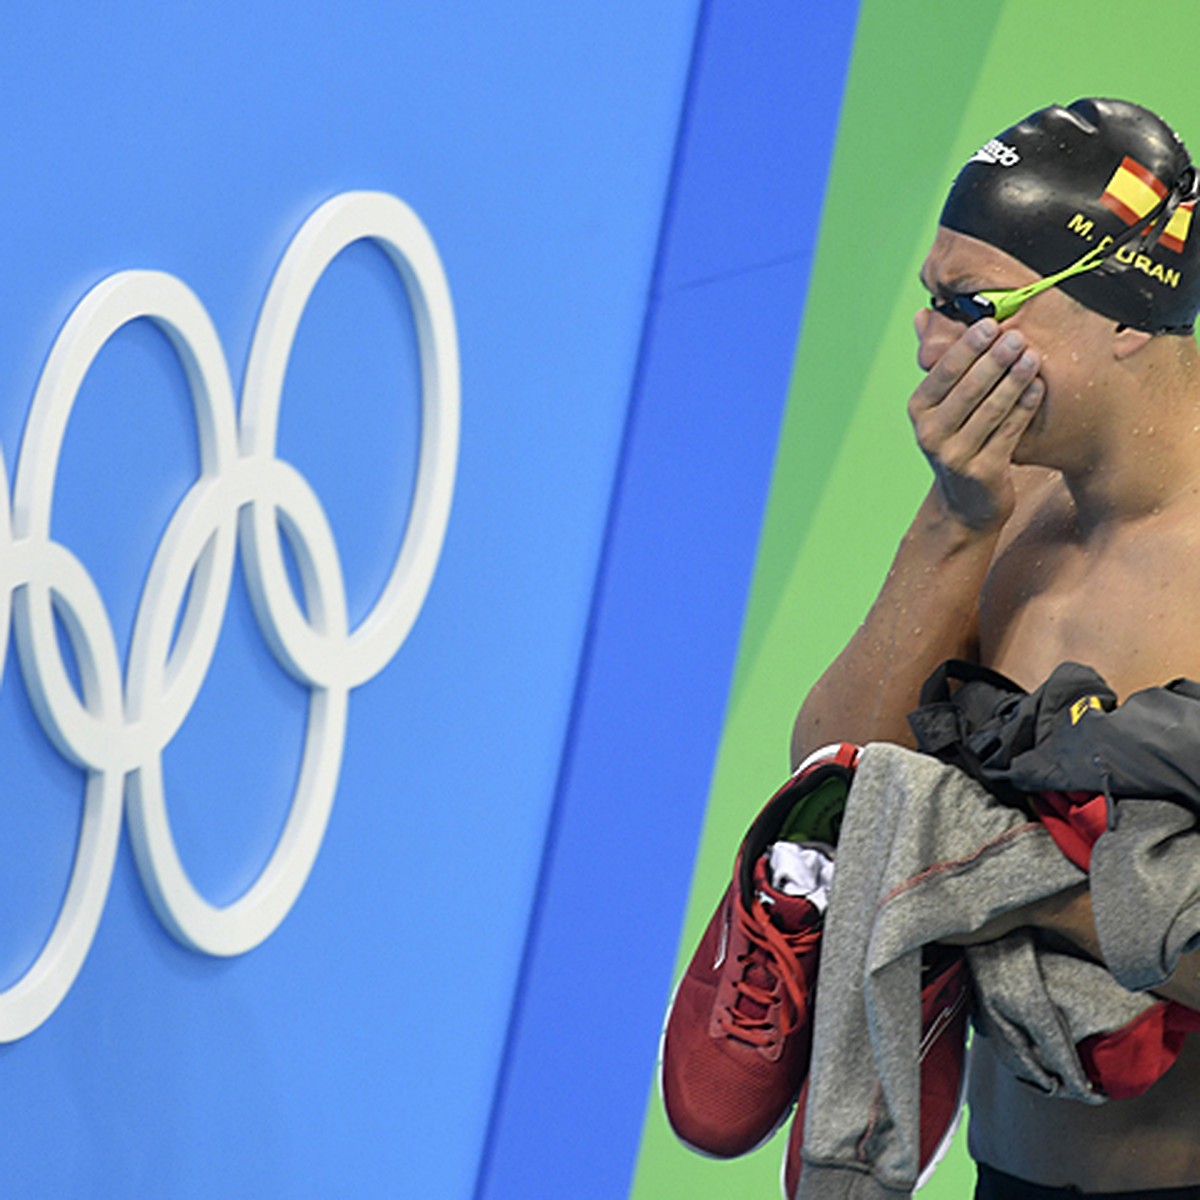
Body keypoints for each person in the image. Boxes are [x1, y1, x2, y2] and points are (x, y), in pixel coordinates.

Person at [791, 98, 1200, 1198]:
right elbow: (829, 799)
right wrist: (953, 523)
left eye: (972, 306)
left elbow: (911, 859)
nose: (932, 347)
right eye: (929, 301)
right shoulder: (1001, 504)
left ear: (1124, 311)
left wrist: (989, 876)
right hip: (1003, 1175)